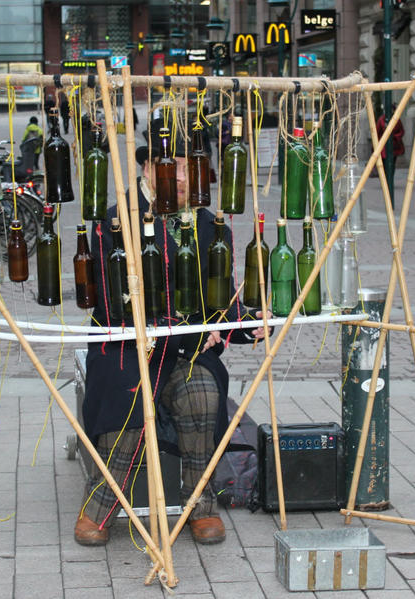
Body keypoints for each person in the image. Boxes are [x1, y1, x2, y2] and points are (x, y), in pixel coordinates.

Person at [75, 119, 272, 547]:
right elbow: (112, 302)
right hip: (126, 348)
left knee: (202, 389)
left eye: (190, 169)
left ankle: (199, 505)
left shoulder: (206, 223)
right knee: (128, 394)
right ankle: (100, 505)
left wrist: (245, 323)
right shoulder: (115, 220)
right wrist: (187, 334)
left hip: (185, 353)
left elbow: (219, 299)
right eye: (173, 167)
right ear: (149, 169)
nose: (181, 178)